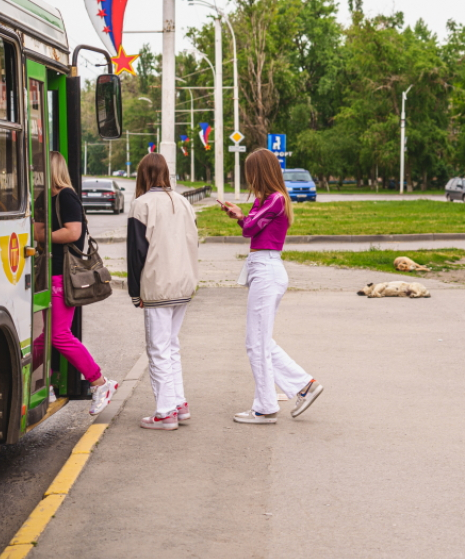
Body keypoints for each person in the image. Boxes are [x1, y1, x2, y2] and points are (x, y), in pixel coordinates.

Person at [221, 148, 323, 424]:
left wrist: (244, 217)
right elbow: (249, 226)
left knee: (256, 343)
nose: (248, 179)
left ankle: (265, 407)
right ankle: (304, 385)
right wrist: (239, 216)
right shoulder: (267, 200)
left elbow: (251, 228)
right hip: (262, 269)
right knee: (259, 340)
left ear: (260, 172)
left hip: (267, 269)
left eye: (250, 173)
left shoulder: (276, 199)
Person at [33, 152, 117, 414]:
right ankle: (35, 384)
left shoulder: (66, 196)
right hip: (46, 274)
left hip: (63, 275)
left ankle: (100, 382)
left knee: (58, 335)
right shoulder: (42, 197)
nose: (36, 171)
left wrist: (44, 235)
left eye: (40, 166)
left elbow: (73, 232)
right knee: (40, 341)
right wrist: (44, 233)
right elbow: (36, 231)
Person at [127, 153, 199, 431]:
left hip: (157, 286)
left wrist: (136, 292)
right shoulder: (183, 202)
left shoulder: (141, 205)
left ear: (143, 174)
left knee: (157, 349)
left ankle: (165, 412)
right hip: (184, 284)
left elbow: (136, 254)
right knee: (172, 345)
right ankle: (179, 404)